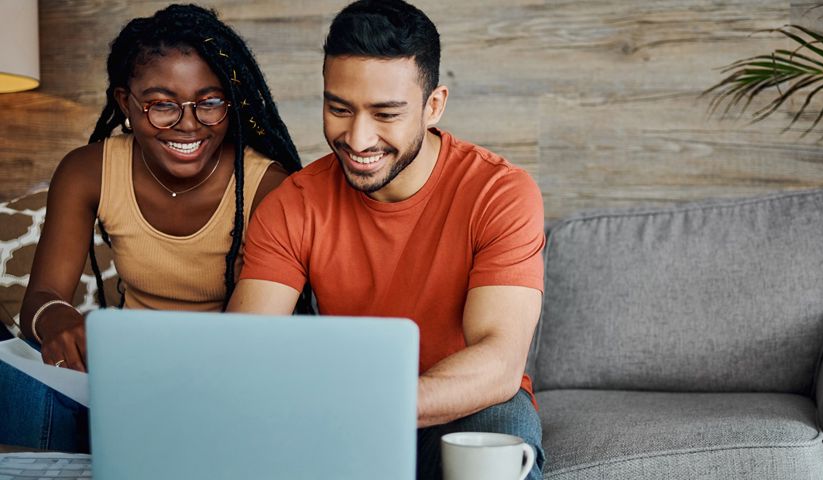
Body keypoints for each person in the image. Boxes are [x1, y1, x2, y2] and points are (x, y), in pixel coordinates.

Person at [227, 1, 546, 478]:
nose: (357, 138)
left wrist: (370, 405)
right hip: (341, 412)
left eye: (386, 113)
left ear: (433, 105)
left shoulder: (499, 193)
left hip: (464, 407)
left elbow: (498, 360)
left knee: (501, 429)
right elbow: (242, 351)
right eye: (339, 108)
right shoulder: (293, 203)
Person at [0, 4, 306, 452]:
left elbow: (256, 339)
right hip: (121, 380)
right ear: (126, 102)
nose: (187, 123)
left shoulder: (267, 186)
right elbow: (41, 300)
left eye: (210, 102)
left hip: (225, 386)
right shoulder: (88, 171)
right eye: (162, 105)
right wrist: (59, 320)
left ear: (231, 102)